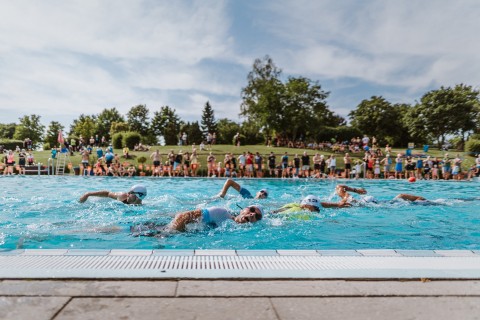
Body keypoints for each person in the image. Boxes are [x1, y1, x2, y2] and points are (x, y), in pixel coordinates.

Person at [131, 204, 264, 236]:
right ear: (243, 210)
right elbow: (184, 216)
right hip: (163, 229)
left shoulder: (236, 230)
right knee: (119, 230)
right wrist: (168, 233)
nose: (252, 215)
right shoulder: (221, 213)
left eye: (257, 216)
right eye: (252, 210)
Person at [79, 184, 147, 205]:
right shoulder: (123, 196)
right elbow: (107, 193)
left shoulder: (141, 207)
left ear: (138, 196)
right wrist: (88, 194)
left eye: (131, 192)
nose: (128, 193)